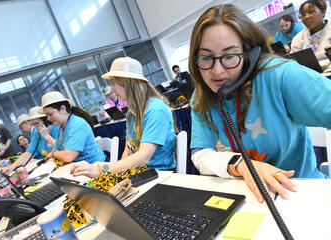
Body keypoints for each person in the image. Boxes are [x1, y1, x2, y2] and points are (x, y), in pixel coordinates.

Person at [188, 4, 331, 202]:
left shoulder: (280, 75)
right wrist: (241, 165)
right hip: (250, 198)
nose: (217, 71)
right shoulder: (202, 95)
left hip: (300, 193)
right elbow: (200, 153)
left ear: (250, 54)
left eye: (229, 56)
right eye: (205, 58)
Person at [70, 57, 176, 178]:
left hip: (160, 176)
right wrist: (115, 174)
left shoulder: (156, 109)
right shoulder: (132, 114)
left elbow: (144, 157)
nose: (113, 90)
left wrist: (103, 169)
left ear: (128, 82)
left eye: (113, 83)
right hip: (140, 174)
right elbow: (129, 150)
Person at [39, 91, 106, 164]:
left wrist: (53, 154)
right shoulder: (61, 127)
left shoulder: (77, 124)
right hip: (80, 167)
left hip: (97, 168)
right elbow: (56, 149)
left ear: (63, 109)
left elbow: (68, 156)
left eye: (50, 114)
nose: (48, 119)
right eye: (47, 116)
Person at [0, 106, 59, 174]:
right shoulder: (36, 132)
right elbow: (28, 153)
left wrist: (46, 136)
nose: (35, 127)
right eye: (33, 124)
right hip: (48, 167)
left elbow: (64, 150)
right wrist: (11, 167)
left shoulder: (57, 128)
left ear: (46, 120)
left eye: (36, 123)